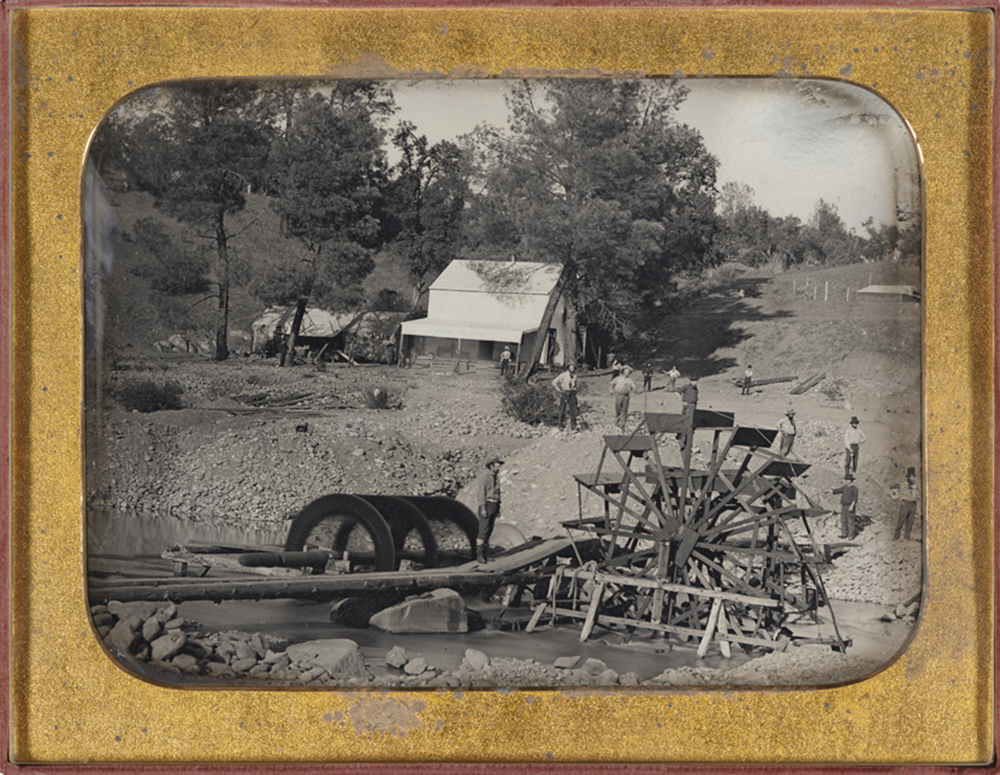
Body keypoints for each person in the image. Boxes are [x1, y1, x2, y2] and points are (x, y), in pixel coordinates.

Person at [475, 456, 504, 562]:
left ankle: (486, 554)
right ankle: (479, 555)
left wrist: (498, 508)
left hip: (494, 505)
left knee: (489, 531)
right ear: (491, 465)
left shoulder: (496, 478)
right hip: (487, 504)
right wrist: (483, 507)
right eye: (497, 464)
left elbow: (498, 493)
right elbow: (481, 493)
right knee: (483, 531)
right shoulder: (485, 478)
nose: (499, 467)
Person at [892, 467, 921, 541]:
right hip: (905, 504)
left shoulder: (916, 486)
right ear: (908, 477)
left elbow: (918, 495)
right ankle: (896, 538)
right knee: (900, 522)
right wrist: (899, 500)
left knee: (910, 523)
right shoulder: (903, 485)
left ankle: (906, 538)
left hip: (913, 504)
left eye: (914, 477)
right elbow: (894, 493)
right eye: (912, 477)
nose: (913, 478)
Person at [551, 363, 579, 431]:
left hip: (572, 393)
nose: (572, 369)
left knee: (573, 409)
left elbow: (575, 385)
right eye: (570, 367)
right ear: (568, 368)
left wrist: (575, 389)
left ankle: (573, 425)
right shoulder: (564, 375)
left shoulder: (575, 376)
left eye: (573, 367)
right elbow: (554, 382)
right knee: (562, 409)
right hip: (565, 393)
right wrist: (559, 390)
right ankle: (560, 424)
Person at [832, 474, 860, 539]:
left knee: (850, 521)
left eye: (848, 480)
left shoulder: (854, 489)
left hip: (850, 505)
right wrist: (831, 491)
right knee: (843, 520)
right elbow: (837, 491)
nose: (847, 481)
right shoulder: (844, 487)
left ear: (851, 481)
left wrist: (852, 506)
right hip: (843, 506)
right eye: (846, 480)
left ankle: (851, 536)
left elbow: (855, 499)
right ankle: (844, 534)